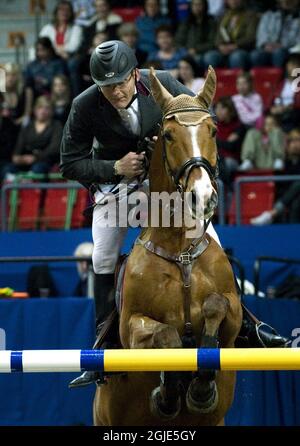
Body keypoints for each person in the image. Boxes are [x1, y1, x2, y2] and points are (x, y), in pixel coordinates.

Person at [60, 40, 289, 388]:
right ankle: (103, 346)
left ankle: (246, 324)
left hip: (163, 186)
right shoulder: (85, 105)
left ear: (135, 74)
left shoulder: (164, 82)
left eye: (121, 82)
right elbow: (69, 163)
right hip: (116, 190)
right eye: (107, 86)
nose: (116, 91)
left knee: (209, 236)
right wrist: (114, 167)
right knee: (103, 257)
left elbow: (199, 119)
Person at [3, 96, 63, 179]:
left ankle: (29, 188)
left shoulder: (56, 126)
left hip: (46, 162)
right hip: (25, 161)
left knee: (37, 169)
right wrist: (17, 157)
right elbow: (19, 144)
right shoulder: (28, 126)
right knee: (7, 168)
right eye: (40, 107)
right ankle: (17, 188)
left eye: (47, 108)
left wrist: (36, 158)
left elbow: (54, 148)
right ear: (35, 110)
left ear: (52, 111)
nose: (43, 111)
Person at [251, 128, 300, 224]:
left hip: (288, 199)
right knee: (296, 201)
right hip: (283, 195)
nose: (295, 144)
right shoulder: (281, 163)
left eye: (298, 140)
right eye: (292, 141)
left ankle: (272, 213)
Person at [39, 0, 83, 95]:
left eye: (67, 10)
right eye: (61, 10)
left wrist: (54, 48)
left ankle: (76, 97)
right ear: (56, 12)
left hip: (67, 58)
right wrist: (58, 50)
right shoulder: (47, 28)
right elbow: (42, 44)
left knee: (72, 64)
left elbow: (73, 46)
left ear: (71, 13)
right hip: (52, 57)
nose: (64, 12)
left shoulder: (76, 28)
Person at [204, 0, 258, 69]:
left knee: (236, 57)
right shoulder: (224, 15)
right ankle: (213, 80)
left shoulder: (250, 15)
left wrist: (235, 46)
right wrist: (220, 46)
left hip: (241, 49)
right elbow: (217, 36)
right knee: (210, 57)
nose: (234, 1)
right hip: (223, 49)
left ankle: (239, 79)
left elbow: (251, 37)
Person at [250, 0, 300, 68]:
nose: (285, 1)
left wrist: (283, 46)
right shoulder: (269, 14)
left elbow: (298, 43)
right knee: (255, 55)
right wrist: (265, 45)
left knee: (279, 53)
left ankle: (279, 78)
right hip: (267, 48)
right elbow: (261, 34)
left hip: (288, 50)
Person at [175, 0, 217, 70]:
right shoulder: (185, 22)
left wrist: (196, 49)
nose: (197, 7)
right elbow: (178, 41)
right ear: (191, 7)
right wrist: (186, 51)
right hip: (187, 51)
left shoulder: (211, 22)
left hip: (205, 52)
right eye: (194, 5)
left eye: (199, 5)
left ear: (204, 6)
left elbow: (212, 42)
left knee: (205, 58)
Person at [215, 96, 247, 186]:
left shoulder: (238, 126)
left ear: (230, 110)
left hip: (232, 159)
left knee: (226, 164)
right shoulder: (214, 125)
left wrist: (216, 141)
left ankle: (226, 192)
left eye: (222, 108)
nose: (218, 111)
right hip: (216, 158)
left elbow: (231, 146)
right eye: (217, 108)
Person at [270, 54, 300, 133]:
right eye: (292, 64)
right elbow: (271, 101)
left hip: (294, 114)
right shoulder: (280, 84)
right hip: (279, 113)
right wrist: (273, 108)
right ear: (286, 66)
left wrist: (288, 107)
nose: (294, 68)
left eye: (297, 65)